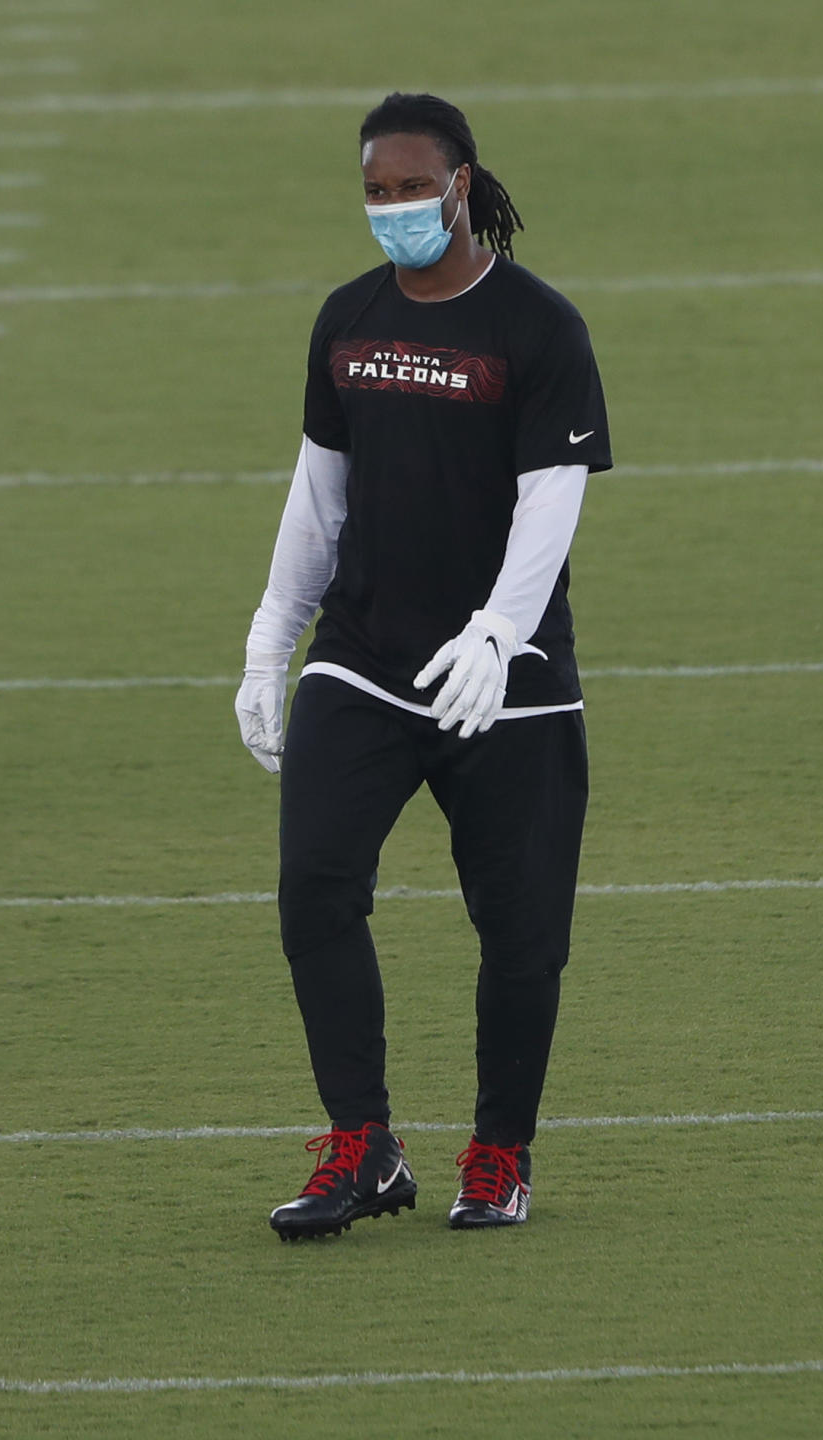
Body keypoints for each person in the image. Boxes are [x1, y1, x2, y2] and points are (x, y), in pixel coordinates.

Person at [235, 91, 612, 1241]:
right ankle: (365, 1145)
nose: (392, 207)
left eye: (410, 187)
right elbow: (320, 496)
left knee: (520, 925)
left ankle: (499, 1153)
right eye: (375, 191)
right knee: (315, 884)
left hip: (508, 674)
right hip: (363, 657)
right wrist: (270, 635)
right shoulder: (346, 321)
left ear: (462, 185)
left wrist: (501, 632)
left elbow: (552, 506)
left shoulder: (538, 329)